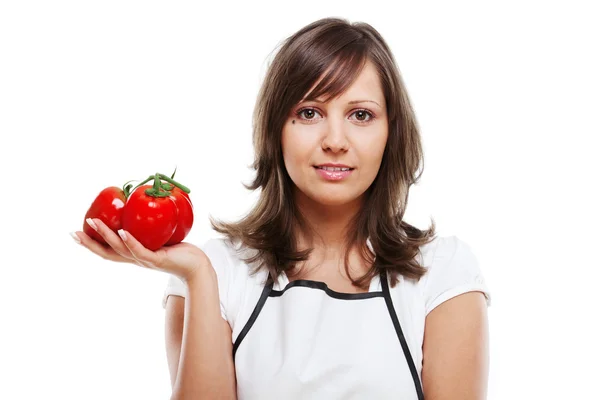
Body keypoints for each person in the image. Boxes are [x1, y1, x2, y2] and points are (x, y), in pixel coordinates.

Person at [71, 17, 491, 400]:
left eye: (361, 114)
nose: (335, 140)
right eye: (309, 112)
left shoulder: (444, 272)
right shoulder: (218, 273)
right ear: (276, 129)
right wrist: (198, 276)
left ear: (390, 133)